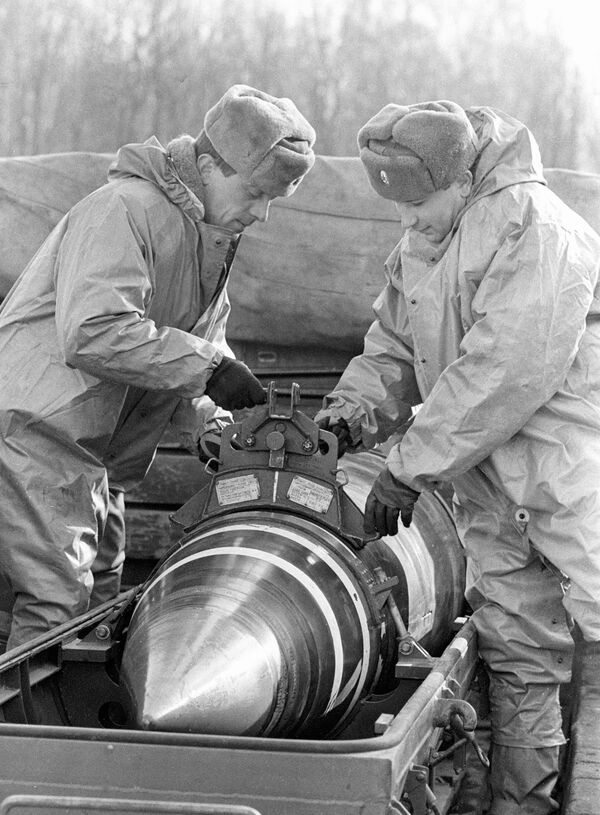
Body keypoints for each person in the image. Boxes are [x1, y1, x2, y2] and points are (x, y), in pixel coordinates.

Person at [316, 100, 600, 814]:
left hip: (569, 476)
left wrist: (410, 463)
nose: (407, 222)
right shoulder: (422, 241)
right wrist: (350, 412)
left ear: (462, 177)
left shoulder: (537, 229)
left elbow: (506, 370)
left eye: (419, 205)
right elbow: (391, 343)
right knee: (518, 657)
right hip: (488, 488)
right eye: (399, 210)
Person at [0, 84, 315, 651]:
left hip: (96, 462)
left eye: (274, 199)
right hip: (37, 438)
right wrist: (211, 370)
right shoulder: (124, 210)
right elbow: (96, 332)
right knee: (54, 607)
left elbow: (186, 361)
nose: (262, 213)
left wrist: (212, 427)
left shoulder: (209, 240)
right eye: (255, 192)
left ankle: (70, 733)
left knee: (97, 603)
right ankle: (34, 738)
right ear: (212, 164)